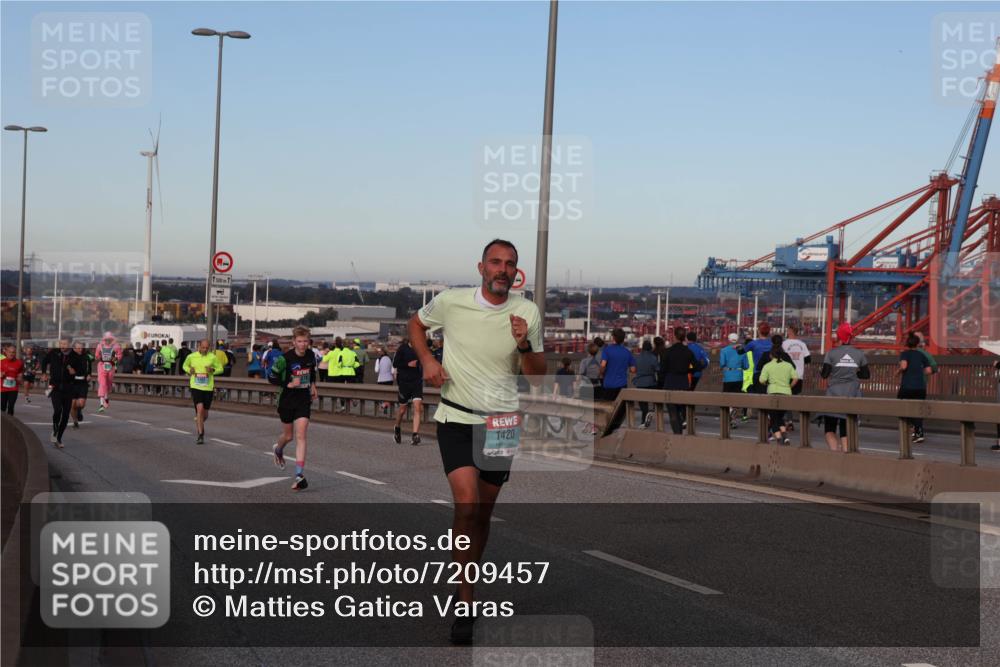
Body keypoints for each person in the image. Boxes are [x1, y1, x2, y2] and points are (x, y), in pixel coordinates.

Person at [408, 238, 545, 645]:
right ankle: (465, 603)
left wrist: (523, 343)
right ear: (481, 267)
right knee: (466, 505)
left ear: (515, 272)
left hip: (501, 423)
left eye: (510, 264)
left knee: (482, 514)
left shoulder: (527, 311)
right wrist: (429, 359)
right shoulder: (451, 302)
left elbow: (537, 374)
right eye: (495, 262)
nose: (503, 269)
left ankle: (465, 581)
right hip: (455, 416)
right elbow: (415, 325)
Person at [268, 326, 319, 491]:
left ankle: (299, 475)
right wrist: (288, 383)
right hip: (286, 401)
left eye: (305, 341)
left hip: (303, 399)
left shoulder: (311, 355)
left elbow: (311, 373)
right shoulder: (285, 359)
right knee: (288, 436)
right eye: (299, 341)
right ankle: (278, 449)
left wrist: (313, 385)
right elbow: (271, 377)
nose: (303, 345)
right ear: (293, 342)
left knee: (301, 434)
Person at [821, 323, 871, 452]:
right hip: (851, 394)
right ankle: (846, 455)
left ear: (838, 336)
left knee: (829, 428)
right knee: (845, 428)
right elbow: (866, 374)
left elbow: (824, 374)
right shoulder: (859, 354)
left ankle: (834, 454)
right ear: (850, 337)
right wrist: (854, 372)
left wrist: (834, 371)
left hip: (833, 395)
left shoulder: (831, 353)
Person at [41, 337, 84, 449]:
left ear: (69, 344)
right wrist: (44, 373)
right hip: (55, 387)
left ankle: (58, 437)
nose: (62, 346)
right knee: (57, 410)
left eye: (65, 344)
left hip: (68, 388)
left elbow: (81, 370)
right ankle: (55, 430)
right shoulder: (54, 353)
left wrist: (74, 372)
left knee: (65, 415)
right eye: (61, 343)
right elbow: (44, 361)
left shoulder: (75, 357)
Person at [182, 338, 225, 445]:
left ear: (209, 347)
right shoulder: (191, 356)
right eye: (203, 347)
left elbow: (221, 369)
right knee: (199, 409)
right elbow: (184, 365)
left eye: (207, 348)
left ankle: (199, 421)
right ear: (199, 346)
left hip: (208, 387)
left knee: (204, 415)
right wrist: (189, 370)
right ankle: (200, 434)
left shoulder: (212, 357)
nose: (205, 349)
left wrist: (213, 370)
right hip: (195, 386)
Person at [759, 335, 798, 444]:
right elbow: (795, 378)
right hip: (786, 393)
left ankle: (779, 437)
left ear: (771, 355)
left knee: (773, 418)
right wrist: (789, 386)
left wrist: (768, 383)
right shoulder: (788, 365)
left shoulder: (768, 366)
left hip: (772, 392)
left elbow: (761, 380)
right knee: (779, 417)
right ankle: (785, 436)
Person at [659, 327, 697, 434]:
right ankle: (680, 432)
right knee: (681, 409)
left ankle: (677, 434)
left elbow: (662, 370)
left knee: (673, 413)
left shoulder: (667, 352)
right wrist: (689, 370)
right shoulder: (688, 352)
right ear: (684, 337)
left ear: (674, 336)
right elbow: (697, 366)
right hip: (683, 384)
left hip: (670, 383)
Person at [897, 332, 932, 444]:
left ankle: (912, 427)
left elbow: (903, 366)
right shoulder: (922, 355)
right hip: (920, 387)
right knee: (918, 409)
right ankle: (919, 433)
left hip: (907, 386)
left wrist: (897, 372)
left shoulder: (905, 354)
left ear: (907, 343)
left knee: (900, 406)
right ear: (917, 344)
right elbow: (928, 371)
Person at [392, 336, 423, 444]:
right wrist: (408, 364)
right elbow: (395, 364)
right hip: (404, 383)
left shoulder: (420, 348)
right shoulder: (402, 349)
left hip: (417, 382)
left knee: (418, 407)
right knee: (402, 410)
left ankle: (415, 435)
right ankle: (397, 427)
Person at [780, 325, 811, 430]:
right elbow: (808, 359)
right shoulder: (802, 344)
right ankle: (791, 420)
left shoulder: (784, 344)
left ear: (789, 331)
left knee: (785, 398)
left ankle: (787, 421)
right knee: (793, 398)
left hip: (786, 375)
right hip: (799, 375)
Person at [719, 333, 748, 430]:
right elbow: (746, 366)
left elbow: (722, 364)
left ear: (728, 339)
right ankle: (734, 419)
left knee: (727, 398)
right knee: (736, 399)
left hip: (728, 377)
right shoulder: (742, 351)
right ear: (737, 340)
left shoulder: (724, 350)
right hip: (739, 377)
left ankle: (729, 417)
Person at [599, 328, 636, 403]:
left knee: (608, 409)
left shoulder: (607, 350)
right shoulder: (627, 352)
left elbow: (603, 366)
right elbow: (633, 370)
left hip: (608, 384)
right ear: (623, 339)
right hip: (622, 385)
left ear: (613, 337)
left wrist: (601, 373)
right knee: (620, 410)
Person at [633, 340, 659, 427]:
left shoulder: (637, 357)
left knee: (643, 404)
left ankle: (644, 420)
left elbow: (633, 369)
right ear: (651, 348)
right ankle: (652, 412)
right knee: (656, 399)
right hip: (651, 382)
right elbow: (658, 369)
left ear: (642, 348)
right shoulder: (653, 358)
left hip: (640, 383)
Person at [94, 332, 122, 412]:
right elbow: (97, 355)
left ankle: (106, 397)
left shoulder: (116, 346)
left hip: (111, 366)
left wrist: (116, 359)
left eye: (109, 339)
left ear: (111, 339)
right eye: (106, 339)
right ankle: (101, 404)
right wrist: (98, 357)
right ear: (104, 339)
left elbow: (119, 355)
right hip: (102, 366)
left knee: (108, 383)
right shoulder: (100, 346)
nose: (107, 340)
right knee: (102, 383)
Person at [69, 341, 92, 428]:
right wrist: (70, 368)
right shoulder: (70, 356)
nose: (80, 350)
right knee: (72, 404)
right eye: (78, 348)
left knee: (81, 404)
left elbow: (89, 365)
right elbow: (66, 365)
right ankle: (75, 421)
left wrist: (89, 374)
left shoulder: (86, 356)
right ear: (74, 348)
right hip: (72, 383)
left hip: (83, 383)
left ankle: (79, 410)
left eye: (81, 348)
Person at [1, 343, 24, 415]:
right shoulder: (1, 362)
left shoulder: (19, 363)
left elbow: (21, 372)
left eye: (13, 352)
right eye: (10, 352)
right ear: (6, 352)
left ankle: (10, 423)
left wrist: (20, 377)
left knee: (11, 406)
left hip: (13, 388)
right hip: (2, 388)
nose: (11, 354)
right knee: (2, 407)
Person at [375, 347, 394, 414]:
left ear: (381, 352)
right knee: (388, 395)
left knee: (381, 395)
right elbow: (392, 371)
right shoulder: (390, 359)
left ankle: (383, 405)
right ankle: (386, 406)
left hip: (381, 379)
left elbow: (376, 370)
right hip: (389, 379)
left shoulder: (378, 359)